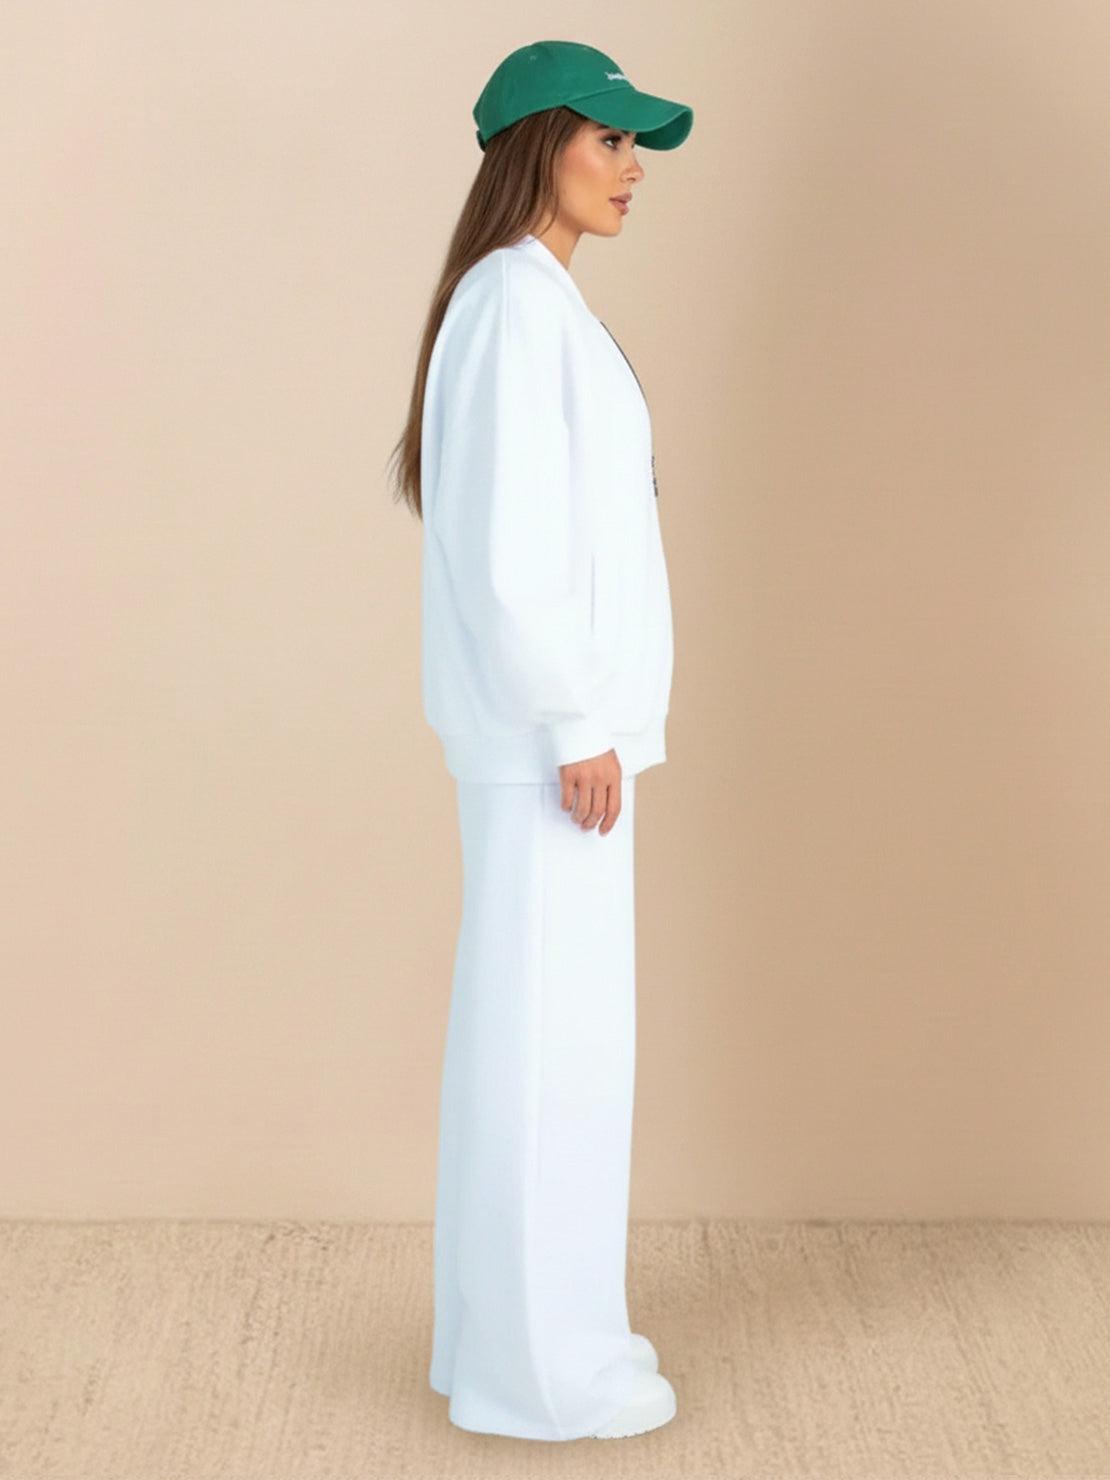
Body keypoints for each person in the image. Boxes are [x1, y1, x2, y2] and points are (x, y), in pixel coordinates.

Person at [388, 39, 693, 1442]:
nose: (633, 170)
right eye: (609, 141)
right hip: (552, 743)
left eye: (636, 147)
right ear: (536, 145)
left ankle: (507, 1344)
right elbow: (510, 548)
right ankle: (540, 1374)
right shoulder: (514, 302)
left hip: (561, 737)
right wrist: (577, 720)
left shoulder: (527, 299)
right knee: (550, 1051)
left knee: (541, 1042)